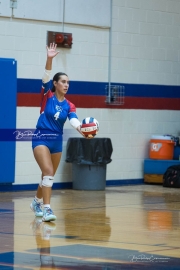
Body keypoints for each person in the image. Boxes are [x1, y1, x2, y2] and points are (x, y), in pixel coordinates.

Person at [30, 43, 85, 222]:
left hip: (56, 141)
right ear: (55, 83)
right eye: (63, 81)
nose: (66, 84)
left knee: (47, 175)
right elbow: (46, 75)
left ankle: (36, 202)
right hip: (41, 138)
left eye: (68, 82)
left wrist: (82, 129)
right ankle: (47, 209)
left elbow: (74, 119)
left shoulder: (69, 105)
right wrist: (49, 58)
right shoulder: (47, 95)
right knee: (47, 171)